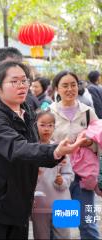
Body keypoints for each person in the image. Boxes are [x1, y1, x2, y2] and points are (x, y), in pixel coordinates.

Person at [0, 61, 86, 239]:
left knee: (65, 230)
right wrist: (54, 151)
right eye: (15, 82)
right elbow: (17, 147)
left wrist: (53, 155)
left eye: (24, 81)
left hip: (21, 201)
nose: (22, 86)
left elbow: (32, 146)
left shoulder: (27, 110)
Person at [49, 70, 100, 240]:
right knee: (64, 222)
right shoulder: (50, 112)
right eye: (65, 85)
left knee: (87, 221)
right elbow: (45, 142)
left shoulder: (87, 111)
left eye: (73, 85)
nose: (70, 89)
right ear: (57, 88)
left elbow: (98, 138)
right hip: (61, 174)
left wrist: (89, 143)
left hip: (84, 175)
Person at [32, 110, 73, 240]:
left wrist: (63, 181)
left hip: (64, 203)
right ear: (34, 125)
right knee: (41, 236)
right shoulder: (30, 149)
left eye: (50, 125)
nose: (47, 129)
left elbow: (69, 174)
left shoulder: (61, 148)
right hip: (39, 204)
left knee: (65, 236)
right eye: (42, 125)